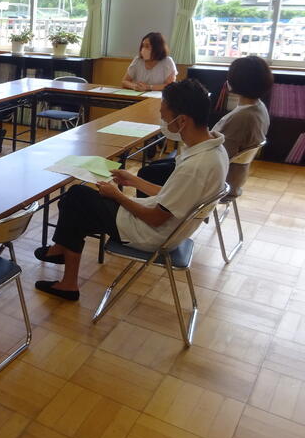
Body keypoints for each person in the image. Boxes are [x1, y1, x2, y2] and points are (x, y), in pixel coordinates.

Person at [33, 79, 228, 301]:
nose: (162, 119)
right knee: (77, 205)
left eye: (164, 114)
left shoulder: (195, 166)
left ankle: (64, 265)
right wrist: (134, 181)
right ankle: (62, 259)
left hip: (152, 234)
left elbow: (155, 218)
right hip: (167, 227)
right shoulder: (215, 150)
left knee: (76, 197)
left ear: (182, 120)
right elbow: (172, 195)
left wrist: (117, 195)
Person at [137, 55, 272, 195]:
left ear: (237, 81)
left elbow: (220, 153)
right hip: (231, 174)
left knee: (147, 173)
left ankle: (153, 207)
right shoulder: (259, 107)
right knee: (156, 165)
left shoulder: (243, 118)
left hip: (216, 177)